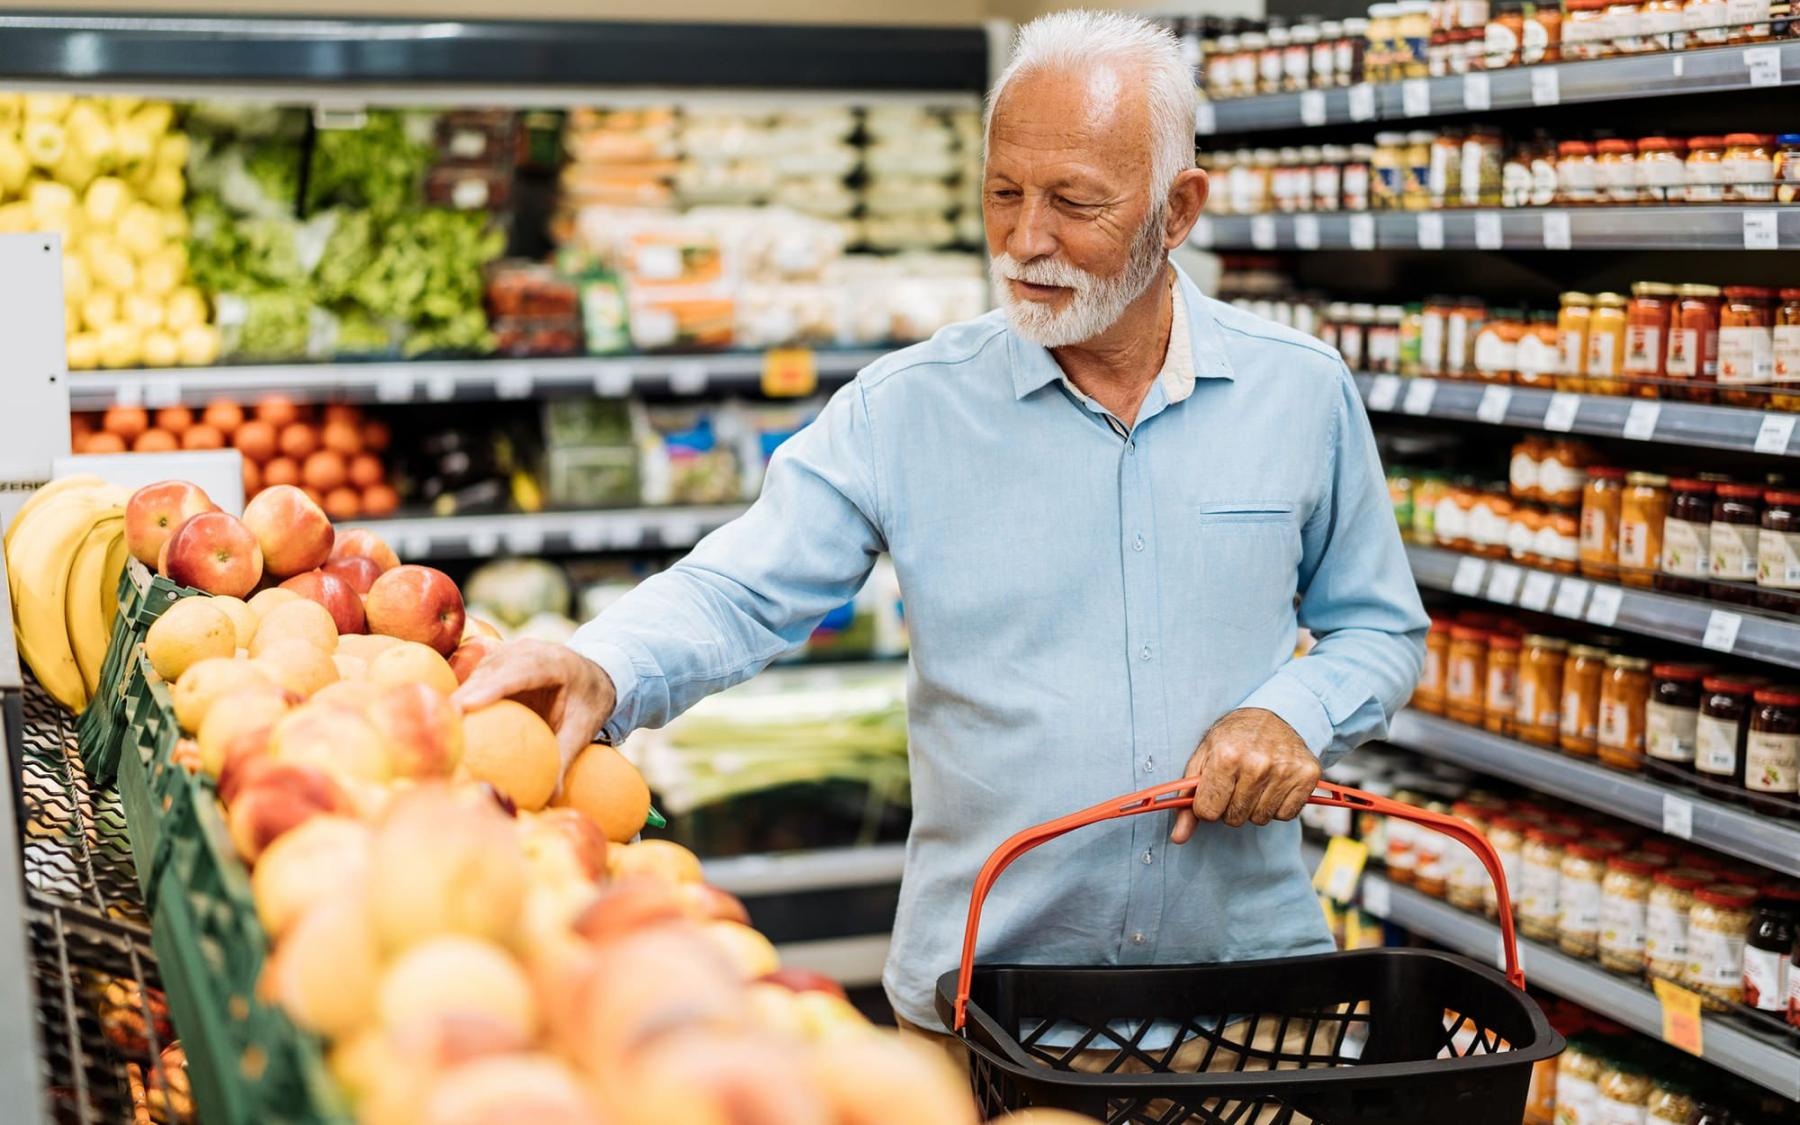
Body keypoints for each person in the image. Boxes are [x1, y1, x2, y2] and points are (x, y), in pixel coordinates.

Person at [455, 8, 1426, 1067]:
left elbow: (1377, 628)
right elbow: (744, 587)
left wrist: (1292, 714)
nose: (1025, 240)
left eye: (1075, 204)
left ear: (1178, 209)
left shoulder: (1298, 393)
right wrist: (603, 662)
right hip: (995, 1016)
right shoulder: (909, 407)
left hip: (1253, 1005)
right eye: (1003, 192)